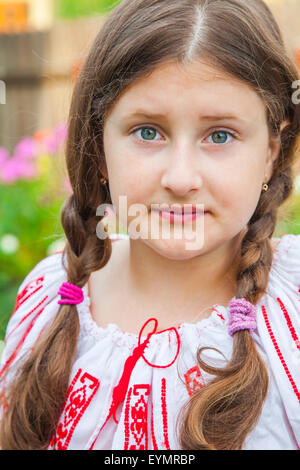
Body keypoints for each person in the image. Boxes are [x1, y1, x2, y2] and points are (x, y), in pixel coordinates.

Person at [0, 0, 300, 450]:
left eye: (220, 135)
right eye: (147, 131)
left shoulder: (291, 311)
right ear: (99, 149)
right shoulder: (49, 300)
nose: (180, 179)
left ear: (271, 152)